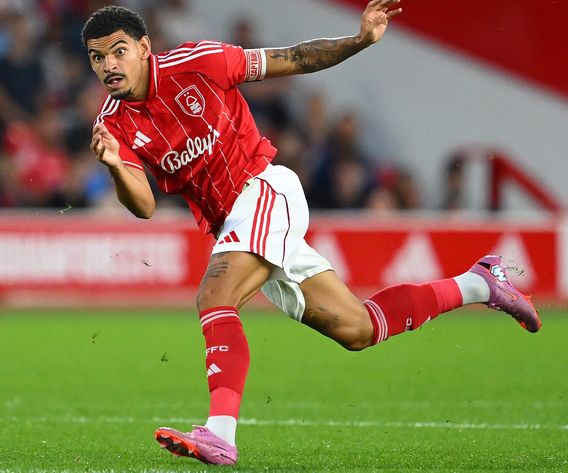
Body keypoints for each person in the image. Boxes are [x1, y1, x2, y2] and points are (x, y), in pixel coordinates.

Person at [81, 0, 540, 465]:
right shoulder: (111, 125)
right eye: (98, 58)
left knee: (214, 298)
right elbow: (142, 205)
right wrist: (117, 165)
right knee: (359, 328)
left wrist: (359, 41)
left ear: (144, 47)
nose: (109, 65)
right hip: (235, 226)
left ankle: (219, 432)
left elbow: (296, 57)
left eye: (118, 52)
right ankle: (481, 282)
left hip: (263, 190)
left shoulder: (199, 62)